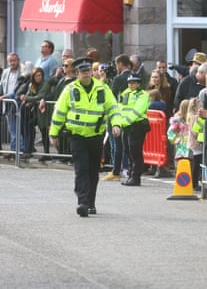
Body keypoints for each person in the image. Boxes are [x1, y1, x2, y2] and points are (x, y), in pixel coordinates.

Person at [50, 57, 122, 217]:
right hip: (77, 136)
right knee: (81, 169)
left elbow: (113, 108)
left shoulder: (102, 89)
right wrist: (53, 133)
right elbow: (59, 111)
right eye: (83, 72)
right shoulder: (70, 90)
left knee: (92, 171)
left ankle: (91, 202)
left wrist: (117, 124)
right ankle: (82, 202)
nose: (86, 74)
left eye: (88, 71)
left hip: (96, 136)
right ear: (77, 74)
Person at [103, 53, 132, 181]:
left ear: (120, 64)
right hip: (129, 115)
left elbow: (111, 97)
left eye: (116, 64)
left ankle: (116, 170)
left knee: (116, 144)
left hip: (116, 114)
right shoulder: (134, 77)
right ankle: (125, 168)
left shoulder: (118, 79)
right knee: (126, 144)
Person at [118, 73, 150, 186]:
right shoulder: (125, 93)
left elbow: (137, 111)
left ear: (138, 84)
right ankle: (131, 174)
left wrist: (124, 121)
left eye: (134, 82)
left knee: (135, 152)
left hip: (137, 125)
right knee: (128, 151)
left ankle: (136, 177)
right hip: (126, 126)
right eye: (130, 82)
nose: (131, 85)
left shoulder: (143, 95)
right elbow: (120, 108)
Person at [0, 53, 24, 156]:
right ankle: (14, 150)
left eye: (14, 61)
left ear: (18, 60)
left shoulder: (22, 72)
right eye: (10, 61)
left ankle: (19, 150)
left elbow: (20, 89)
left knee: (18, 128)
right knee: (12, 128)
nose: (12, 63)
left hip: (18, 102)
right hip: (8, 104)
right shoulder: (5, 72)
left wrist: (5, 96)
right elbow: (1, 86)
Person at [21, 67, 52, 160]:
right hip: (35, 112)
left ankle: (47, 154)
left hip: (44, 112)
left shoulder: (45, 84)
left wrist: (28, 99)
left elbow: (40, 96)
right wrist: (27, 99)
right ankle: (29, 148)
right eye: (36, 76)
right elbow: (29, 94)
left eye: (40, 75)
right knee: (29, 126)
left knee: (44, 132)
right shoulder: (31, 85)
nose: (38, 77)